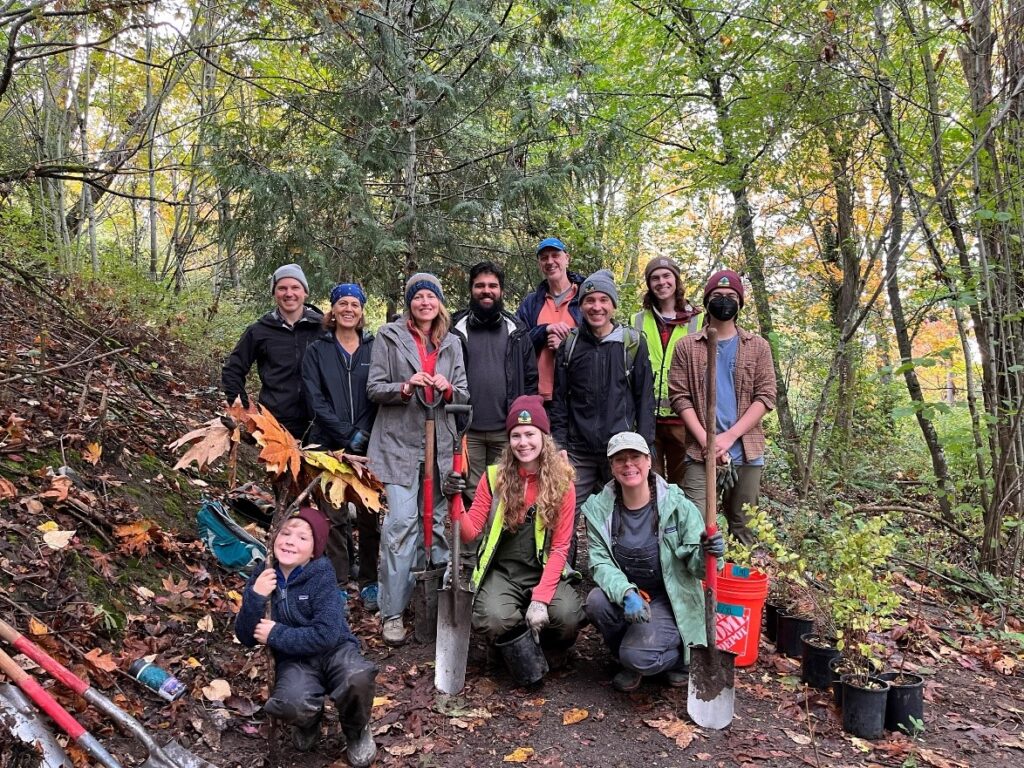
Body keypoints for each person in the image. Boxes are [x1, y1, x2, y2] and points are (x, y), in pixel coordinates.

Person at [443, 395, 583, 674]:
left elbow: (560, 547)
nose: (523, 442)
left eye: (530, 434)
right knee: (492, 617)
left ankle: (552, 647)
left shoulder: (563, 483)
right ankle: (510, 644)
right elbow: (469, 533)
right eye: (516, 435)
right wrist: (454, 500)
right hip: (503, 572)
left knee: (568, 614)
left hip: (544, 570)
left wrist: (541, 599)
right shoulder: (494, 477)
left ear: (544, 437)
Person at [366, 273, 469, 646]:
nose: (425, 302)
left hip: (440, 445)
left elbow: (464, 392)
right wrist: (405, 387)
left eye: (431, 296)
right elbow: (374, 387)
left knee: (440, 525)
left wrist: (450, 388)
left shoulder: (453, 343)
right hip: (398, 445)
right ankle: (392, 611)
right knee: (402, 525)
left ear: (439, 302)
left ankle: (439, 608)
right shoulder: (389, 337)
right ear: (409, 302)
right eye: (418, 296)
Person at [235, 507, 377, 765]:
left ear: (314, 550)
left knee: (358, 677)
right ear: (274, 537)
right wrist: (256, 596)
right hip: (294, 661)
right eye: (285, 533)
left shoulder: (321, 574)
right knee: (289, 703)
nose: (290, 540)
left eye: (302, 537)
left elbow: (326, 634)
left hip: (335, 651)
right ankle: (308, 720)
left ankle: (356, 729)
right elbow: (245, 635)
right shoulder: (263, 574)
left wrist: (276, 634)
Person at [583, 432, 724, 692]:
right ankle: (629, 655)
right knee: (596, 601)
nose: (628, 465)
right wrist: (626, 593)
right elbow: (600, 562)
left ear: (649, 461)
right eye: (620, 460)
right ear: (611, 467)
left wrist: (710, 553)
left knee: (638, 656)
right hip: (633, 598)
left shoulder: (678, 507)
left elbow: (699, 570)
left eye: (635, 457)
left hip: (672, 600)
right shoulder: (599, 510)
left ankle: (678, 659)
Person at [550, 269, 655, 559]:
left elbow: (644, 399)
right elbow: (559, 400)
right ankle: (563, 578)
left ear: (613, 305)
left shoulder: (631, 343)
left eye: (603, 300)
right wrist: (559, 446)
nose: (596, 307)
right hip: (578, 450)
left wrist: (644, 449)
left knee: (622, 516)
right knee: (565, 515)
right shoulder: (570, 345)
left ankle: (620, 575)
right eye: (590, 300)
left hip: (620, 451)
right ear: (581, 305)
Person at [667, 269, 776, 546]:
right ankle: (700, 585)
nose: (724, 300)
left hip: (747, 451)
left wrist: (726, 439)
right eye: (717, 295)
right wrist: (708, 441)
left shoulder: (758, 347)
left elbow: (765, 396)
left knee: (744, 527)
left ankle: (738, 584)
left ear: (739, 303)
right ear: (706, 301)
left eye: (730, 296)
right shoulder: (687, 347)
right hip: (699, 450)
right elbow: (680, 397)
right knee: (696, 525)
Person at [301, 283, 380, 610]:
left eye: (354, 304)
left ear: (361, 311)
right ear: (332, 310)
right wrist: (345, 434)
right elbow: (313, 397)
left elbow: (378, 393)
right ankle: (338, 581)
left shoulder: (374, 349)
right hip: (327, 445)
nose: (348, 309)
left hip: (368, 444)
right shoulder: (317, 350)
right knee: (333, 516)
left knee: (368, 513)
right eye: (342, 303)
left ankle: (370, 580)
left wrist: (361, 433)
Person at [452, 261, 538, 504]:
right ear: (471, 290)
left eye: (493, 285)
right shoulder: (453, 329)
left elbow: (531, 379)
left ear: (501, 291)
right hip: (468, 431)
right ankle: (474, 543)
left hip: (507, 430)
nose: (486, 290)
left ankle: (501, 543)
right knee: (472, 496)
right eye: (480, 285)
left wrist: (524, 421)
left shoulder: (517, 331)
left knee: (506, 493)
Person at [222, 264, 323, 440]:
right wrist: (243, 409)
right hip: (276, 424)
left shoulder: (324, 328)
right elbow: (233, 370)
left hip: (320, 425)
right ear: (274, 293)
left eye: (295, 287)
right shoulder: (259, 331)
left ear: (305, 292)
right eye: (282, 288)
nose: (289, 293)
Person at [633, 257, 704, 487]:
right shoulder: (637, 320)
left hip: (685, 420)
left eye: (666, 276)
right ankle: (654, 524)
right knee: (651, 484)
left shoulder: (699, 319)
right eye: (655, 278)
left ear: (676, 280)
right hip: (647, 419)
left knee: (682, 485)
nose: (661, 282)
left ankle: (680, 524)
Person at [514, 238, 585, 404]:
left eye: (555, 255)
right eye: (544, 258)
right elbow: (517, 344)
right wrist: (545, 330)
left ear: (567, 258)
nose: (550, 261)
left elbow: (599, 342)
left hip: (578, 394)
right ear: (539, 264)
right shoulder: (531, 303)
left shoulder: (586, 297)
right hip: (540, 396)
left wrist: (567, 344)